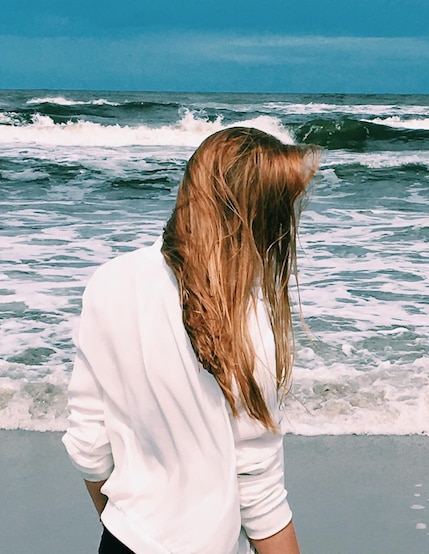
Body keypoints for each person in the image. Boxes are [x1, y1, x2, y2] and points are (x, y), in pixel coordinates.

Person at [62, 127, 319, 553]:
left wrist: (127, 528)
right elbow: (260, 493)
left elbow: (89, 441)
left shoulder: (112, 280)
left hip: (123, 538)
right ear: (263, 220)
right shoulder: (249, 324)